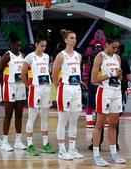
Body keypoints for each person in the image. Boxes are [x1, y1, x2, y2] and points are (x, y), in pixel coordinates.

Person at [91, 37, 126, 167]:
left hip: (116, 92)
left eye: (117, 47)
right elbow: (94, 80)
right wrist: (110, 75)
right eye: (113, 47)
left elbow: (120, 78)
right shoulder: (100, 57)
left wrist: (119, 74)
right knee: (99, 124)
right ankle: (96, 156)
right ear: (107, 44)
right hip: (104, 92)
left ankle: (113, 154)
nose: (115, 50)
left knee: (113, 124)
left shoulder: (117, 58)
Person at [21, 34, 55, 156]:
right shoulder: (30, 57)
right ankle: (29, 145)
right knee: (32, 116)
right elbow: (23, 74)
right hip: (35, 89)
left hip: (46, 88)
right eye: (41, 46)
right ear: (36, 44)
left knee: (45, 116)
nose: (43, 48)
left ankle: (45, 144)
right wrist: (29, 87)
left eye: (45, 46)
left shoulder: (46, 57)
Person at [52, 30, 84, 160]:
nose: (74, 40)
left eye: (75, 38)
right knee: (62, 120)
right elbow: (54, 74)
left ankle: (72, 148)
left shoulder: (79, 56)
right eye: (71, 38)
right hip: (65, 88)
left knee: (74, 120)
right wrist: (58, 88)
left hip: (76, 89)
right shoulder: (61, 56)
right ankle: (61, 150)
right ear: (66, 40)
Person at [0, 33, 26, 151]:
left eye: (20, 46)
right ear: (12, 45)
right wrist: (2, 86)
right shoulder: (7, 56)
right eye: (17, 45)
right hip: (10, 86)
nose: (19, 48)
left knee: (19, 114)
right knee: (8, 115)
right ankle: (5, 141)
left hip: (20, 86)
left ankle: (18, 141)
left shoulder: (22, 55)